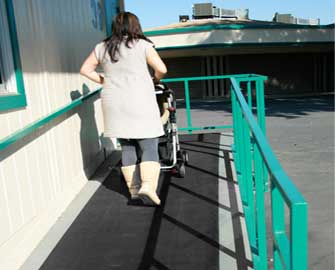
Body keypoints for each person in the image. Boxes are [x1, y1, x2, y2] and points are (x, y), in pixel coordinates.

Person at [80, 12, 167, 205]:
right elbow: (162, 69)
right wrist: (154, 80)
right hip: (139, 101)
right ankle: (148, 186)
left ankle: (134, 190)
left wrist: (105, 80)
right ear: (135, 26)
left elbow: (85, 69)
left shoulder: (102, 47)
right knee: (149, 145)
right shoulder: (143, 45)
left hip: (113, 103)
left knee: (127, 146)